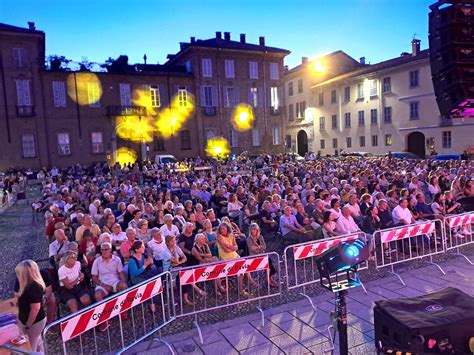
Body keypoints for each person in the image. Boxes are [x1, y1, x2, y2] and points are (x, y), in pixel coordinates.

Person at [91, 242, 128, 331]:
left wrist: (124, 283)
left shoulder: (117, 259)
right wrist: (101, 284)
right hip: (102, 283)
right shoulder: (97, 261)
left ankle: (123, 310)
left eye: (106, 249)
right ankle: (105, 320)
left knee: (123, 286)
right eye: (102, 249)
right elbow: (94, 277)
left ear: (111, 250)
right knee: (98, 295)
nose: (104, 251)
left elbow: (121, 273)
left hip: (115, 281)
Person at [14, 260, 47, 353]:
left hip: (34, 322)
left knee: (30, 349)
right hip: (32, 320)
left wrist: (27, 325)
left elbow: (35, 309)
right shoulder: (28, 284)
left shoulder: (34, 287)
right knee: (38, 343)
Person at [246, 223, 278, 288]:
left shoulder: (260, 237)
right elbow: (252, 249)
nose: (254, 231)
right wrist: (260, 248)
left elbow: (264, 246)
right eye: (252, 229)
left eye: (255, 229)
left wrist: (258, 247)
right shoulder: (249, 239)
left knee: (269, 261)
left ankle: (269, 279)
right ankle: (269, 280)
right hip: (254, 256)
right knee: (268, 261)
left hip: (262, 255)